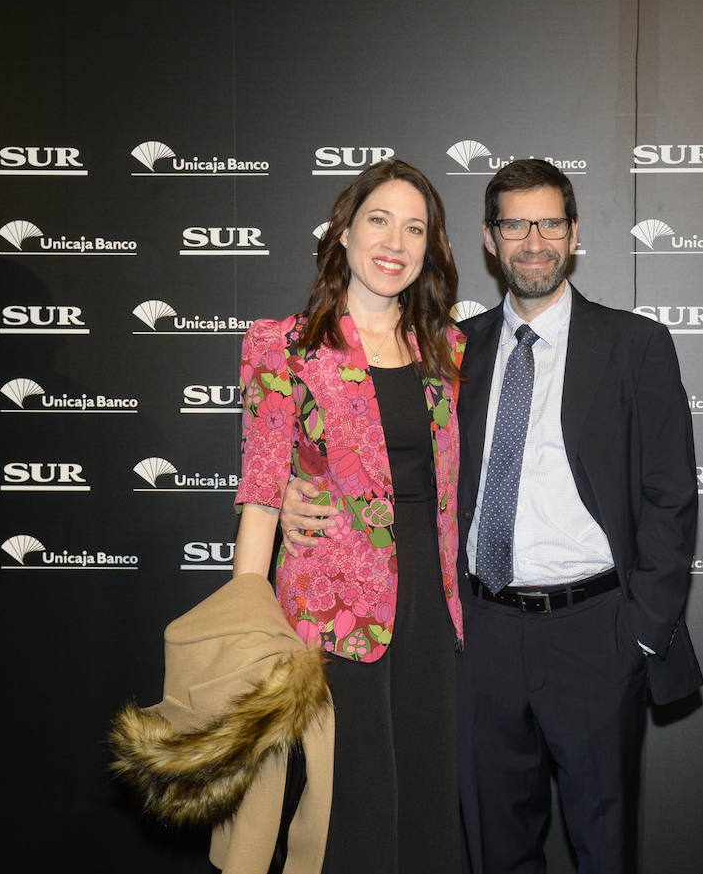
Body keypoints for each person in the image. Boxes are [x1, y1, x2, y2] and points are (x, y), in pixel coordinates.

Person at [282, 159, 702, 874]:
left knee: (605, 847)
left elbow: (671, 493)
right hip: (480, 637)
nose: (532, 240)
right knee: (492, 848)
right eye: (514, 223)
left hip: (595, 633)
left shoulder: (634, 345)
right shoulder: (449, 349)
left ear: (574, 234)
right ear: (488, 238)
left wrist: (640, 631)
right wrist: (298, 490)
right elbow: (382, 459)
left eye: (548, 223)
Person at [232, 159, 467, 873]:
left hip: (434, 609)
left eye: (415, 227)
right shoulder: (285, 345)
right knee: (348, 809)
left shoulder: (451, 350)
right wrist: (247, 616)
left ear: (430, 250)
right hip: (332, 611)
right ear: (344, 230)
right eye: (379, 219)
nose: (395, 240)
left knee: (429, 801)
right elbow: (263, 488)